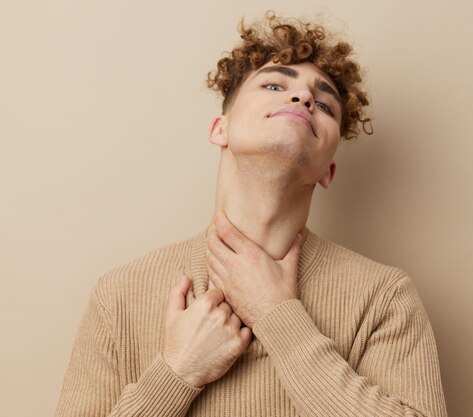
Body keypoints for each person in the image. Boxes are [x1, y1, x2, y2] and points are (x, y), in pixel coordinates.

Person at [55, 11, 448, 417]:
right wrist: (176, 372)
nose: (303, 99)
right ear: (219, 129)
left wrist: (277, 316)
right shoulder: (119, 295)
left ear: (327, 171)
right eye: (275, 84)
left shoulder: (384, 298)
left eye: (325, 104)